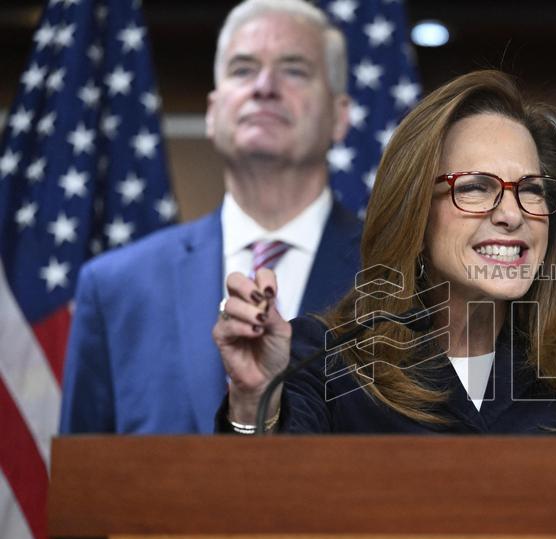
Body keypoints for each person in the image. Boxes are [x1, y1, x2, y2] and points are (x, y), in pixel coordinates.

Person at [213, 70, 556, 435]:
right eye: (477, 187)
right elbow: (264, 513)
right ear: (415, 213)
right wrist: (255, 400)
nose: (512, 215)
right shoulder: (326, 357)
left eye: (531, 191)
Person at [60, 0, 361, 434]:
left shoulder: (399, 275)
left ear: (339, 116)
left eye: (294, 70)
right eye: (242, 69)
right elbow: (83, 483)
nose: (264, 86)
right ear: (212, 112)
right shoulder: (114, 287)